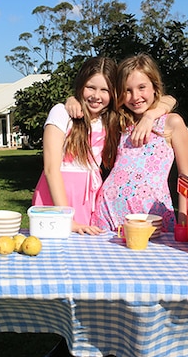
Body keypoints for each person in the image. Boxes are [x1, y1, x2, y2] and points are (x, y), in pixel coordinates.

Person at [92, 53, 188, 357]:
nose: (136, 96)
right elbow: (88, 102)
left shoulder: (171, 123)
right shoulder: (118, 123)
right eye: (128, 90)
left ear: (154, 87)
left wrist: (183, 219)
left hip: (155, 223)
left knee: (184, 294)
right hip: (111, 219)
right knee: (118, 297)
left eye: (143, 88)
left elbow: (186, 177)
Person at [32, 57, 174, 234]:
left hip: (89, 198)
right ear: (81, 85)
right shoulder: (62, 113)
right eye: (90, 87)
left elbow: (168, 99)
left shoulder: (110, 119)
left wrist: (150, 116)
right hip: (57, 197)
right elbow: (51, 169)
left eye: (104, 90)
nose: (96, 96)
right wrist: (67, 218)